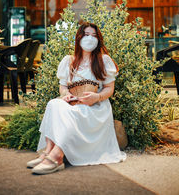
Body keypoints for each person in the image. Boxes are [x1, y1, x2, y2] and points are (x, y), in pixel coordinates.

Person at [27, 22, 126, 174]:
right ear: (79, 38)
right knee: (53, 104)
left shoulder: (103, 60)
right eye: (86, 35)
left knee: (78, 111)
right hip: (74, 102)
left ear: (98, 40)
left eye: (94, 36)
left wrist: (97, 97)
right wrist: (66, 95)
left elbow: (109, 89)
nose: (90, 39)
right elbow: (63, 87)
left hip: (96, 107)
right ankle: (48, 151)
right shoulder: (69, 61)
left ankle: (57, 157)